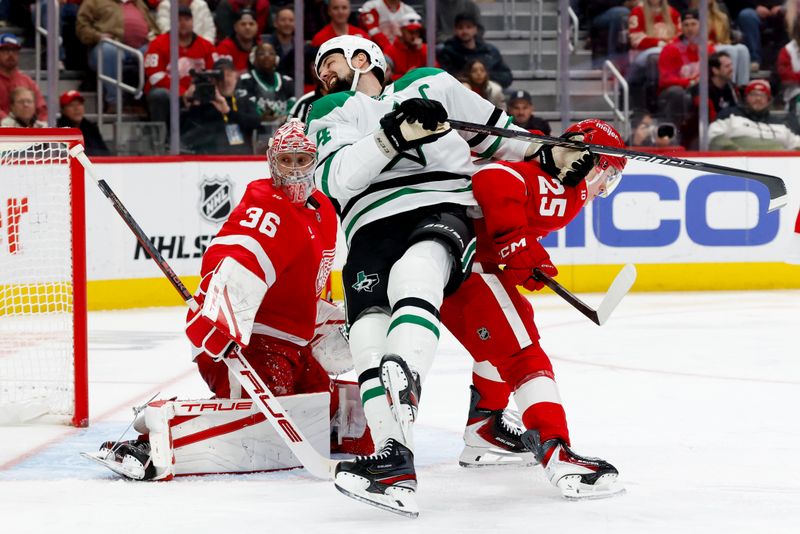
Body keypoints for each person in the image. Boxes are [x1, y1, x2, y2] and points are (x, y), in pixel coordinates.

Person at [306, 35, 593, 517]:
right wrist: (391, 137)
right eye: (320, 70)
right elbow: (335, 179)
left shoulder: (431, 83)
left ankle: (410, 374)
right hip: (368, 225)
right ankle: (393, 460)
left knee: (419, 268)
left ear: (365, 57)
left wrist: (549, 154)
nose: (325, 74)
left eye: (332, 62)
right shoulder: (327, 111)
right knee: (367, 339)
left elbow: (498, 137)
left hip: (439, 206)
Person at [89, 119, 371, 480]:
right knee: (261, 423)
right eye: (287, 161)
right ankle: (153, 436)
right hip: (247, 343)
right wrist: (220, 318)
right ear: (272, 162)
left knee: (322, 405)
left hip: (292, 345)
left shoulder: (323, 211)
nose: (296, 169)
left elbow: (308, 288)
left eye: (303, 160)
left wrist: (329, 329)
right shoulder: (267, 204)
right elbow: (237, 258)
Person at [441, 119, 628, 500]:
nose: (602, 187)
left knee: (505, 337)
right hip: (467, 265)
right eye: (606, 173)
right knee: (524, 354)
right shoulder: (554, 176)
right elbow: (493, 180)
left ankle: (484, 429)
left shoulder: (559, 180)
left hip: (463, 263)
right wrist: (517, 246)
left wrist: (520, 251)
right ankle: (557, 452)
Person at [76, 0, 159, 109]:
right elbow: (81, 27)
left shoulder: (139, 3)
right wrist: (98, 36)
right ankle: (114, 102)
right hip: (109, 46)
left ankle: (148, 102)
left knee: (156, 52)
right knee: (109, 51)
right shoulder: (93, 2)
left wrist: (155, 38)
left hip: (140, 48)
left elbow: (155, 29)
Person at [144, 5, 217, 124]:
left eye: (187, 19)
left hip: (198, 94)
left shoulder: (207, 46)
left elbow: (213, 73)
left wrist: (196, 91)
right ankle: (159, 137)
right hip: (169, 95)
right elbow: (154, 76)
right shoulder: (157, 44)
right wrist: (181, 92)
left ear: (193, 22)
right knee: (159, 95)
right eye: (178, 20)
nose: (183, 23)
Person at [181, 57, 261, 154]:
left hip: (241, 160)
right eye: (221, 76)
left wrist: (229, 112)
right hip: (208, 158)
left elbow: (256, 123)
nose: (225, 80)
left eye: (229, 75)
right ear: (213, 80)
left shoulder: (244, 101)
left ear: (236, 77)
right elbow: (184, 132)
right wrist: (187, 103)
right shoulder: (205, 103)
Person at [657, 10, 715, 130]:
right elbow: (665, 80)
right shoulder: (670, 48)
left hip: (698, 89)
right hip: (675, 91)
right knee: (678, 92)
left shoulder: (708, 49)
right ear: (681, 27)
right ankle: (676, 132)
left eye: (693, 24)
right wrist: (690, 82)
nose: (690, 28)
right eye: (686, 25)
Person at [709, 78, 800, 149]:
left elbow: (796, 143)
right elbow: (713, 135)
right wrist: (734, 150)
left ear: (768, 100)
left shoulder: (780, 123)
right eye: (753, 94)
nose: (758, 99)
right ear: (746, 98)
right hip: (738, 164)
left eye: (762, 95)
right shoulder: (730, 115)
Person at [438, 12, 513, 89]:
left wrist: (484, 76)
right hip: (461, 89)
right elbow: (446, 77)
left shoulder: (490, 51)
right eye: (460, 27)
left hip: (487, 89)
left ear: (475, 29)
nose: (465, 31)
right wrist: (469, 78)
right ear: (455, 30)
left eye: (468, 27)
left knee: (494, 89)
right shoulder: (448, 52)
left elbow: (506, 77)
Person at [237, 42, 295, 122]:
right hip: (256, 131)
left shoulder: (287, 81)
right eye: (261, 53)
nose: (267, 56)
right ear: (253, 59)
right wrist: (260, 118)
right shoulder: (245, 80)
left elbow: (294, 108)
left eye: (271, 53)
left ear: (276, 59)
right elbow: (245, 109)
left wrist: (283, 118)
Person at [0, 33, 47, 122]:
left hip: (24, 132)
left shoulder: (27, 81)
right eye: (5, 50)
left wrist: (41, 127)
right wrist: (7, 122)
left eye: (14, 51)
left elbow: (42, 109)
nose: (10, 54)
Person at [56, 90, 111, 156]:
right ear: (63, 110)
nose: (76, 108)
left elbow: (105, 153)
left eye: (79, 104)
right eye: (71, 105)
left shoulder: (91, 128)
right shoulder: (59, 129)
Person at [383, 13, 431, 81]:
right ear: (401, 30)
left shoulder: (423, 48)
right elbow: (385, 76)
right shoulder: (390, 50)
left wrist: (422, 50)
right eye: (411, 32)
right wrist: (406, 77)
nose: (414, 36)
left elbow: (435, 71)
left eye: (417, 32)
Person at [216, 8, 260, 73]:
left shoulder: (261, 47)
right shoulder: (225, 47)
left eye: (251, 24)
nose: (247, 27)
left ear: (257, 27)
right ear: (235, 27)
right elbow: (224, 75)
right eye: (243, 24)